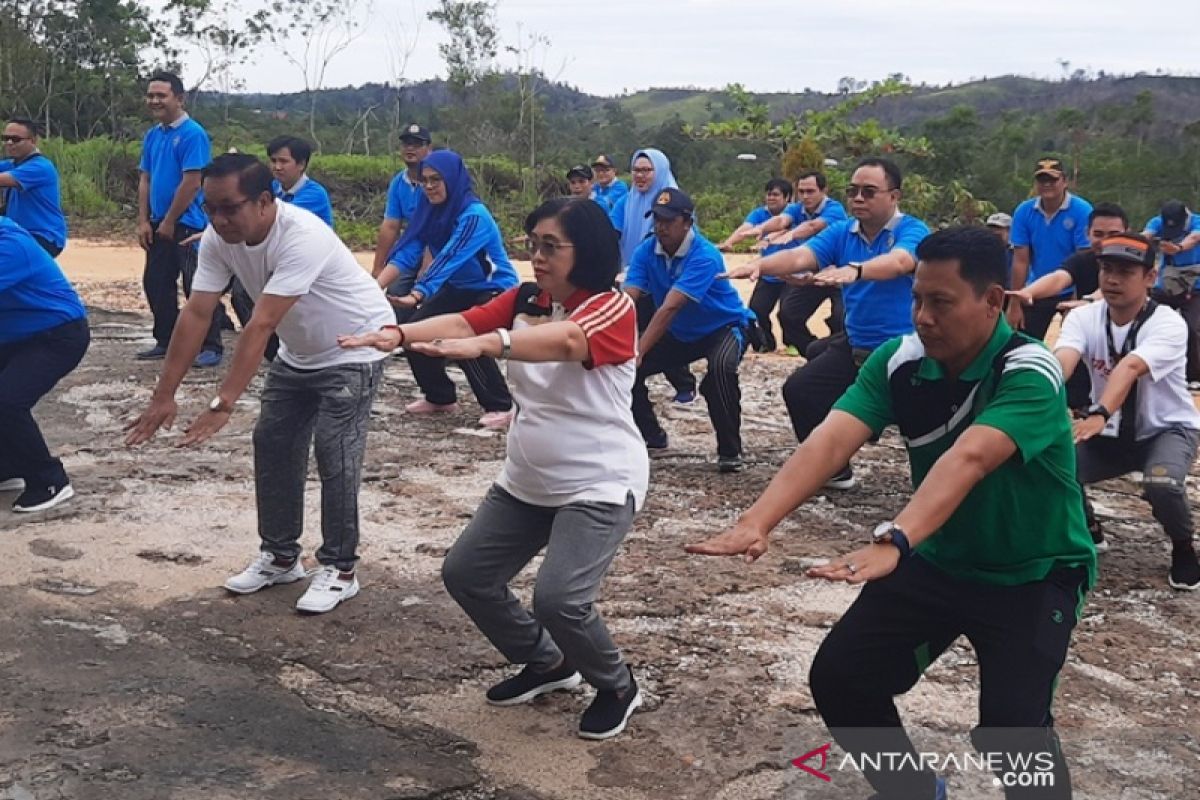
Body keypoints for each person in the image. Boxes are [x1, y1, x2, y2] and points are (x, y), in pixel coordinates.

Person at [689, 226, 1096, 799]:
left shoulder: (1030, 370)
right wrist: (757, 520)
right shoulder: (899, 360)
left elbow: (970, 457)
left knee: (1013, 733)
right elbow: (831, 441)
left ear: (992, 303)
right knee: (842, 679)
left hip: (1034, 572)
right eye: (917, 299)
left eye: (941, 302)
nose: (923, 317)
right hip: (941, 558)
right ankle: (913, 791)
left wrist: (896, 538)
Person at [340, 197, 647, 740]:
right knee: (468, 575)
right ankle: (549, 662)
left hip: (599, 480)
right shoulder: (529, 298)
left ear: (590, 251)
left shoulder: (610, 307)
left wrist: (495, 342)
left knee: (559, 598)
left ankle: (617, 683)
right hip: (528, 478)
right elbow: (464, 319)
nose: (538, 258)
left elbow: (569, 340)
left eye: (551, 246)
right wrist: (400, 333)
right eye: (533, 245)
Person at [124, 153, 394, 614]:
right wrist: (163, 395)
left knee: (336, 451)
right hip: (301, 353)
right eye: (211, 208)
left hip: (356, 346)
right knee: (273, 443)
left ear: (265, 201)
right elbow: (197, 311)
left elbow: (260, 324)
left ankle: (340, 567)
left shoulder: (301, 235)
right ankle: (281, 555)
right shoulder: (217, 238)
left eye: (230, 207)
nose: (219, 219)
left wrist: (224, 401)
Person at [727, 157, 930, 489]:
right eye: (853, 191)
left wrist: (858, 270)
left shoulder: (912, 230)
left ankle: (933, 494)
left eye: (868, 191)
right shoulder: (842, 231)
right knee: (801, 391)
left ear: (894, 196)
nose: (858, 198)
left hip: (907, 350)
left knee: (920, 422)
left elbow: (900, 262)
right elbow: (799, 256)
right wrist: (760, 266)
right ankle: (835, 471)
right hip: (856, 346)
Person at [1052, 234, 1200, 591]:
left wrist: (1100, 411)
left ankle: (1183, 548)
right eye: (1107, 269)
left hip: (1165, 431)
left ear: (1150, 277)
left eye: (1126, 272)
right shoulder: (1084, 317)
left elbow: (1130, 367)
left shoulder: (1168, 323)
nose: (1113, 280)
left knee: (1161, 484)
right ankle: (1089, 528)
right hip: (1110, 432)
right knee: (1053, 466)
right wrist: (1039, 387)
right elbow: (1063, 361)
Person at [376, 150, 518, 428]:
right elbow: (408, 251)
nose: (429, 186)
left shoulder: (474, 215)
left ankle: (499, 404)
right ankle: (439, 396)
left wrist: (419, 292)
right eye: (425, 181)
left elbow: (450, 258)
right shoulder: (429, 212)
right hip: (456, 287)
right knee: (416, 331)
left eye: (436, 180)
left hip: (492, 288)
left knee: (464, 340)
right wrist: (374, 287)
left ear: (452, 180)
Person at [624, 188, 755, 473]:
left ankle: (730, 451)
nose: (661, 227)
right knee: (626, 371)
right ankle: (652, 437)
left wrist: (639, 350)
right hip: (681, 332)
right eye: (657, 219)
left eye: (668, 221)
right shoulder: (646, 251)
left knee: (720, 370)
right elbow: (629, 296)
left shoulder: (705, 255)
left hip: (722, 327)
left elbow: (670, 308)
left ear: (687, 222)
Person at [0, 217, 89, 512]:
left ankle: (50, 481)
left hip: (57, 336)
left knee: (7, 402)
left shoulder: (10, 246)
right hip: (16, 338)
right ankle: (9, 468)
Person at [136, 70, 224, 368]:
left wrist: (171, 220)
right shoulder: (153, 135)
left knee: (197, 285)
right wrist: (144, 220)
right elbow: (145, 179)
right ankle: (167, 340)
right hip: (159, 223)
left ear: (179, 98)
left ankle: (210, 345)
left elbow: (192, 182)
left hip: (186, 224)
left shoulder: (192, 134)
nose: (154, 101)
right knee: (156, 282)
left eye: (161, 95)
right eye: (151, 95)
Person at [1007, 203, 1130, 410]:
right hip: (1091, 335)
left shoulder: (1135, 263)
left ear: (1127, 233)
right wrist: (1029, 292)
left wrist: (1088, 302)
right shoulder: (1083, 260)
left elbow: (1109, 289)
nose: (1105, 241)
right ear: (1087, 234)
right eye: (1098, 234)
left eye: (1114, 234)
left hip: (1127, 334)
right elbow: (1059, 278)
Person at [610, 148, 697, 404]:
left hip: (664, 279)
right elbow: (611, 230)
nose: (640, 176)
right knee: (638, 327)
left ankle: (684, 384)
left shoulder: (674, 201)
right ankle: (633, 387)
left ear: (659, 171)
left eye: (647, 170)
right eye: (636, 170)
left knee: (659, 328)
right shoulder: (628, 200)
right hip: (634, 275)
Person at [752, 171, 850, 356]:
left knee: (842, 319)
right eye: (801, 191)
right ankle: (815, 354)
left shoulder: (834, 210)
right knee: (788, 315)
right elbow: (782, 219)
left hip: (840, 276)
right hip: (812, 276)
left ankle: (839, 357)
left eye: (810, 191)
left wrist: (791, 234)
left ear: (824, 190)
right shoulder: (797, 208)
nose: (805, 196)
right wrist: (762, 228)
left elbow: (813, 226)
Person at [1006, 157, 1092, 339]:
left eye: (1053, 179)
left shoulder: (1081, 211)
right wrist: (1015, 304)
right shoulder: (1024, 211)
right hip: (1038, 288)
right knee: (1022, 341)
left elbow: (1084, 259)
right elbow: (1021, 260)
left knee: (1077, 342)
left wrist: (1076, 301)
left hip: (1072, 288)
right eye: (1042, 180)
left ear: (1065, 181)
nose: (1047, 185)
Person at [718, 178, 798, 353]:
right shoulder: (759, 214)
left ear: (787, 198)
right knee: (756, 310)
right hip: (767, 272)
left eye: (776, 194)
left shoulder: (795, 214)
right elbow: (745, 227)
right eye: (769, 194)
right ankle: (765, 343)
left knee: (788, 311)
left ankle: (793, 344)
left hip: (792, 273)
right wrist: (729, 242)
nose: (771, 198)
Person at [1143, 201, 1200, 386]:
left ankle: (1193, 376)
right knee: (1146, 316)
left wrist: (1179, 248)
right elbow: (1145, 236)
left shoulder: (1197, 222)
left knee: (1192, 328)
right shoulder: (1157, 222)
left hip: (1195, 286)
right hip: (1167, 284)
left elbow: (1194, 238)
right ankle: (1149, 365)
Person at [0, 117, 68, 257]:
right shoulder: (12, 165)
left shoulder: (40, 167)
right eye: (5, 138)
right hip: (19, 235)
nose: (9, 143)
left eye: (16, 139)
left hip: (42, 237)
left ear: (33, 141)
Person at [373, 123, 432, 280]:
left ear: (429, 149)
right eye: (406, 144)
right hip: (412, 247)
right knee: (395, 291)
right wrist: (378, 267)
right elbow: (391, 226)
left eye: (417, 144)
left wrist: (427, 266)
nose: (410, 148)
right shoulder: (398, 183)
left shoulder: (437, 182)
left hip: (440, 247)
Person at [267, 135, 333, 226]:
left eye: (284, 161)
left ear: (301, 164)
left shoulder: (315, 194)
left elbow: (279, 218)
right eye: (273, 161)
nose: (277, 167)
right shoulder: (272, 186)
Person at [985, 211, 1014, 281]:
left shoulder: (1017, 253)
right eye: (991, 227)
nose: (993, 231)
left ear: (1009, 230)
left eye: (998, 228)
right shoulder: (983, 251)